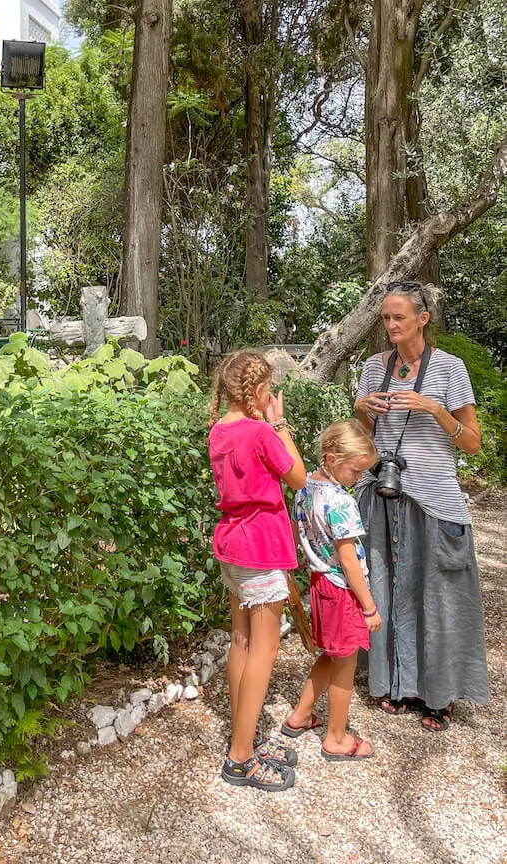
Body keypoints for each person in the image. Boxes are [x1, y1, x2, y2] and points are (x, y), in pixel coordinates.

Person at [354, 281, 489, 731]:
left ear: (422, 319)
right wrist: (361, 407)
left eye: (399, 318)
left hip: (434, 499)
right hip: (384, 494)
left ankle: (439, 694)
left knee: (438, 597)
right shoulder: (375, 367)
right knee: (387, 592)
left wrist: (434, 409)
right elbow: (365, 435)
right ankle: (396, 685)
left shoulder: (450, 369)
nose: (390, 326)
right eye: (386, 318)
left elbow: (471, 443)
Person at [209, 349, 307, 792]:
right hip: (262, 547)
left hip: (231, 545)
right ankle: (241, 757)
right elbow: (300, 477)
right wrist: (280, 423)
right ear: (258, 392)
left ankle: (243, 734)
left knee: (241, 641)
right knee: (264, 651)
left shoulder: (219, 430)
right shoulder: (262, 432)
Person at [282, 421, 381, 760]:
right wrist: (368, 606)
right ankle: (336, 737)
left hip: (320, 584)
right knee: (346, 662)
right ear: (332, 458)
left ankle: (300, 715)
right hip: (342, 589)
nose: (358, 478)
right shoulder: (340, 502)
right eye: (355, 470)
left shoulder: (305, 488)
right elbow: (349, 560)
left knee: (332, 653)